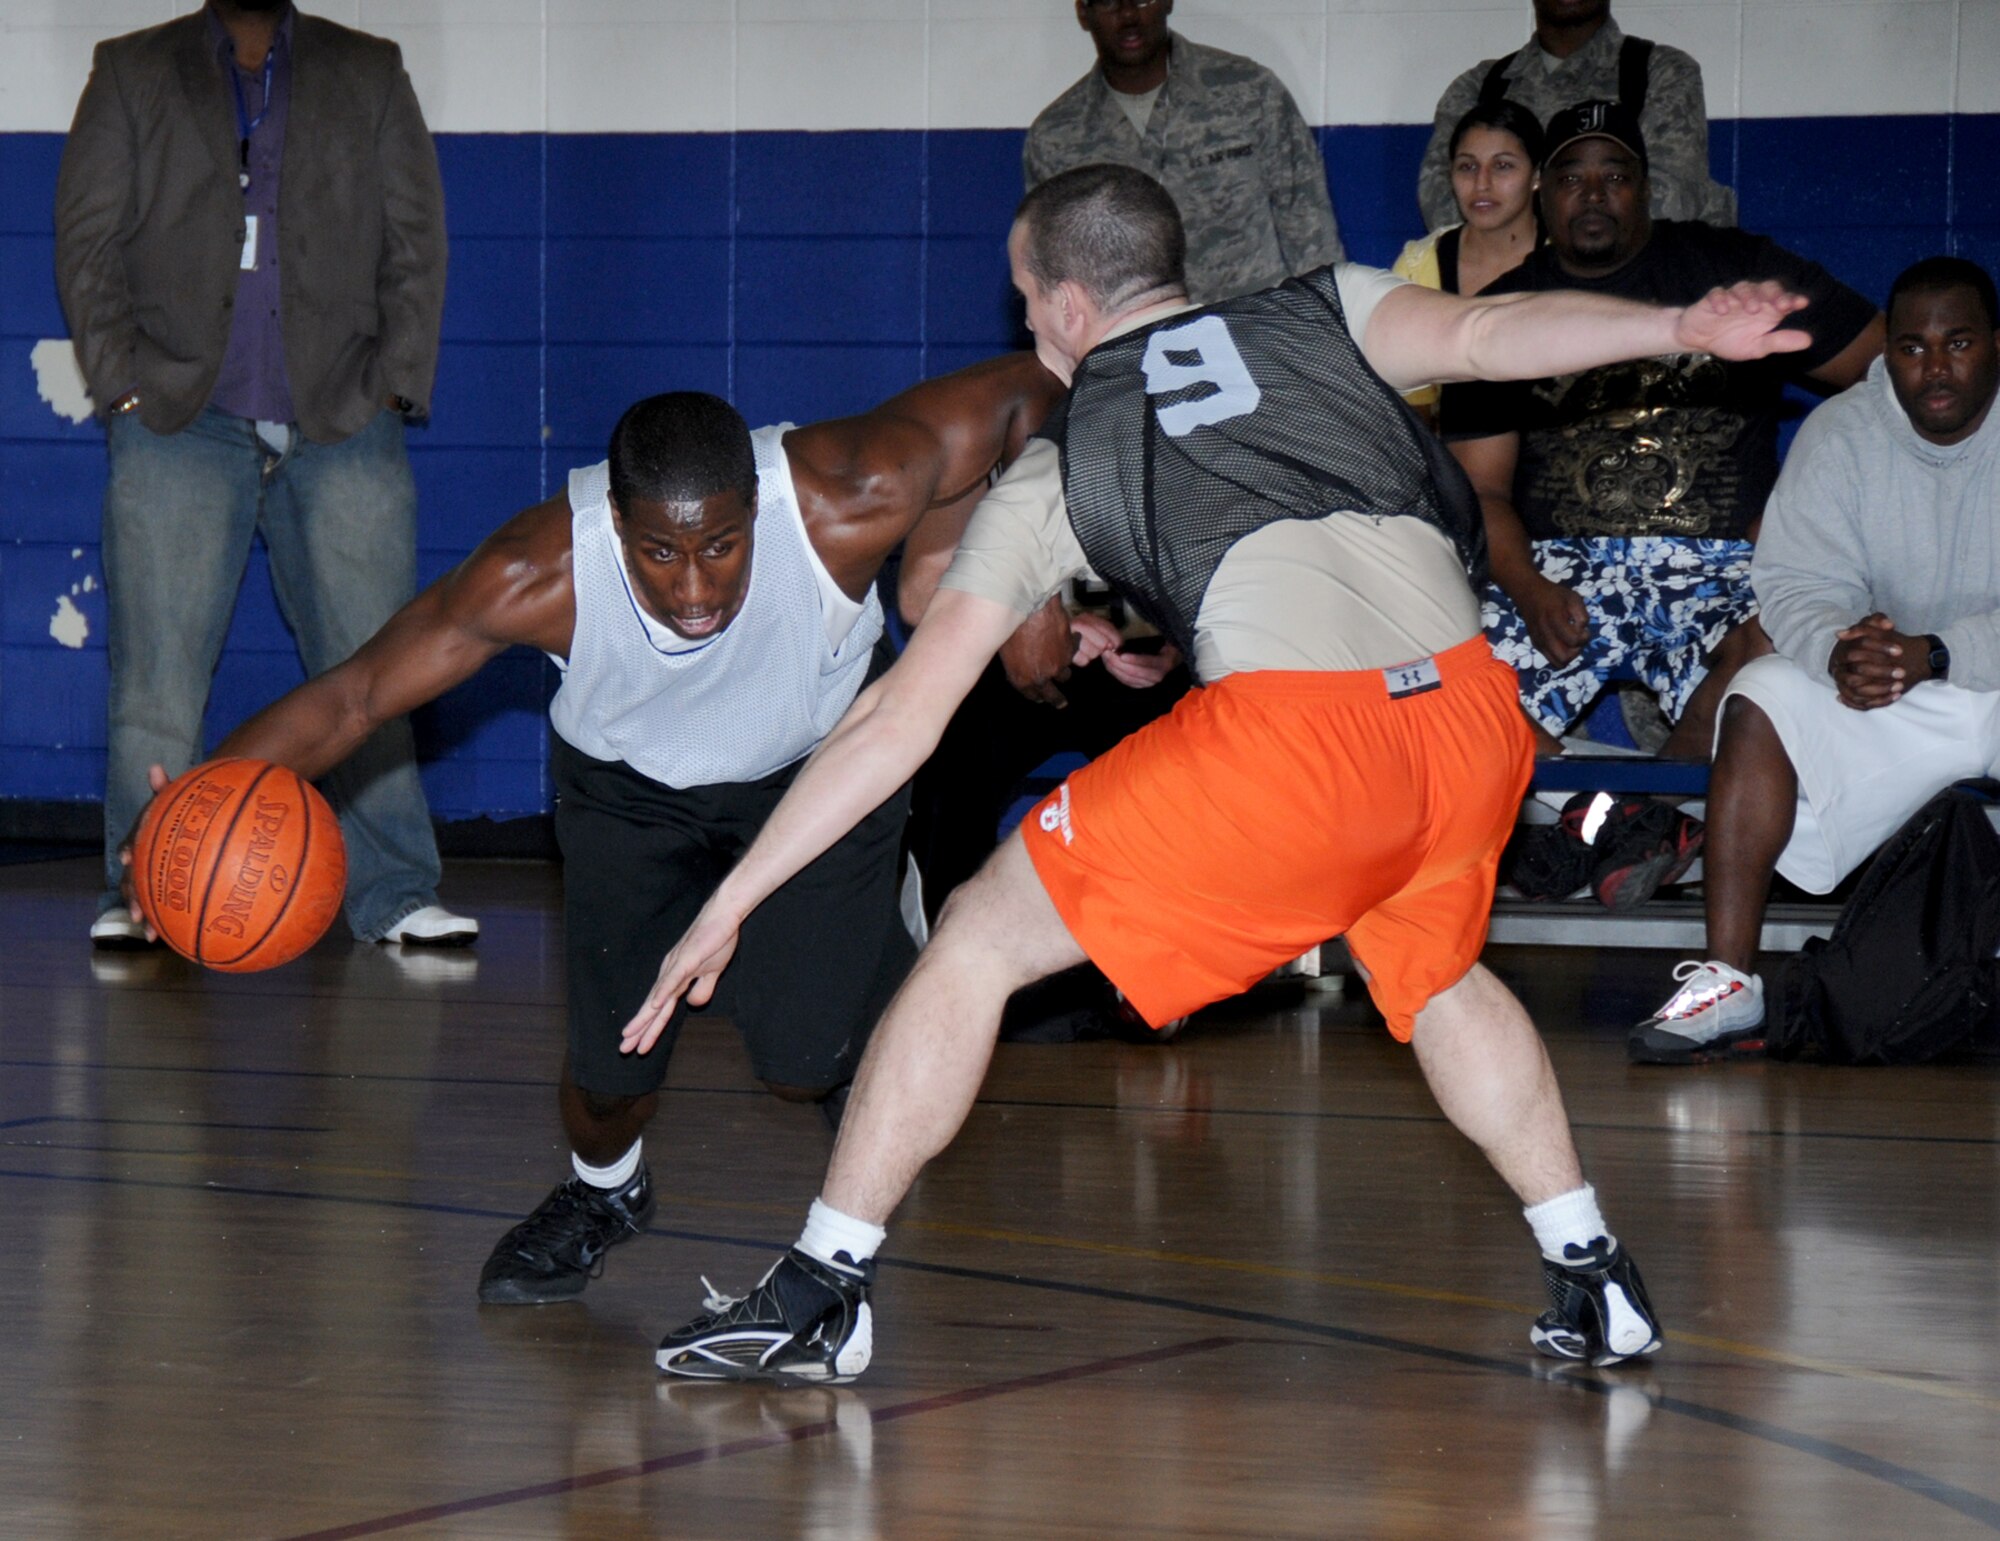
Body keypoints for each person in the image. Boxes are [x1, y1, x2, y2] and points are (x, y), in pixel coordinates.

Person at [628, 164, 1822, 1385]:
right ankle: (1594, 1273)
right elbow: (1488, 332)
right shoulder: (1327, 303)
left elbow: (896, 720)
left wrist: (727, 904)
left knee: (976, 942)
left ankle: (823, 1290)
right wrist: (1675, 327)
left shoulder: (1058, 463)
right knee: (1435, 967)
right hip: (1468, 722)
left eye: (1026, 299)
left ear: (1072, 303)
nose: (1027, 325)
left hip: (1300, 743)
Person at [118, 354, 1064, 1304]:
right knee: (609, 1082)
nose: (695, 589)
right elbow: (357, 696)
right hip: (627, 791)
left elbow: (1038, 389)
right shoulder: (536, 573)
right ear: (616, 523)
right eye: (660, 552)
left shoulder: (855, 490)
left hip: (818, 769)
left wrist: (1032, 579)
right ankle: (606, 1193)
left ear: (761, 512)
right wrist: (187, 818)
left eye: (723, 546)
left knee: (802, 1066)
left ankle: (859, 962)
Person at [54, 0, 475, 951]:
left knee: (380, 664)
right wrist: (121, 387)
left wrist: (394, 388)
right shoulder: (130, 67)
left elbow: (418, 235)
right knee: (155, 683)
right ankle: (144, 892)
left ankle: (397, 895)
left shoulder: (369, 67)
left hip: (341, 422)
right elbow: (86, 241)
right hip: (176, 423)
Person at [1631, 257, 2000, 1063]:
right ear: (1887, 354)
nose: (1934, 368)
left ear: (1996, 345)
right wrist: (1841, 650)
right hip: (1893, 682)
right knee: (1761, 690)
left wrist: (1936, 652)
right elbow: (1796, 581)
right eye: (1911, 348)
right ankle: (1729, 980)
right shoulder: (1844, 431)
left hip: (1981, 676)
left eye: (1959, 342)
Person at [1445, 101, 1882, 774]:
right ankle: (1572, 823)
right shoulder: (1501, 315)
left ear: (1645, 185)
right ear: (1542, 192)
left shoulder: (1735, 272)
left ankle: (1658, 815)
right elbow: (1482, 489)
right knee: (1447, 669)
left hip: (1722, 563)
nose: (1592, 195)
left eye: (1614, 176)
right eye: (1571, 179)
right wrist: (1528, 589)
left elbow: (1895, 376)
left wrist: (1805, 511)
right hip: (1560, 568)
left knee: (1787, 641)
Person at [1024, 0, 1342, 305]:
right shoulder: (1057, 137)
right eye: (1108, 2)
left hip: (1253, 338)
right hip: (1131, 350)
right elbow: (1055, 279)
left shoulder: (1249, 94)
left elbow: (1310, 231)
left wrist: (1325, 336)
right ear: (1083, 12)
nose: (1128, 15)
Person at [1417, 0, 1733, 233]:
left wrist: (1526, 241)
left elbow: (1670, 205)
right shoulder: (1479, 87)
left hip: (1636, 297)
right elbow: (1442, 206)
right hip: (1509, 300)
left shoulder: (1660, 73)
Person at [1393, 100, 1546, 422]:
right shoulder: (1419, 268)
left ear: (1537, 175)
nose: (1482, 184)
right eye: (1467, 166)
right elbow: (1413, 412)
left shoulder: (1571, 258)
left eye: (1503, 166)